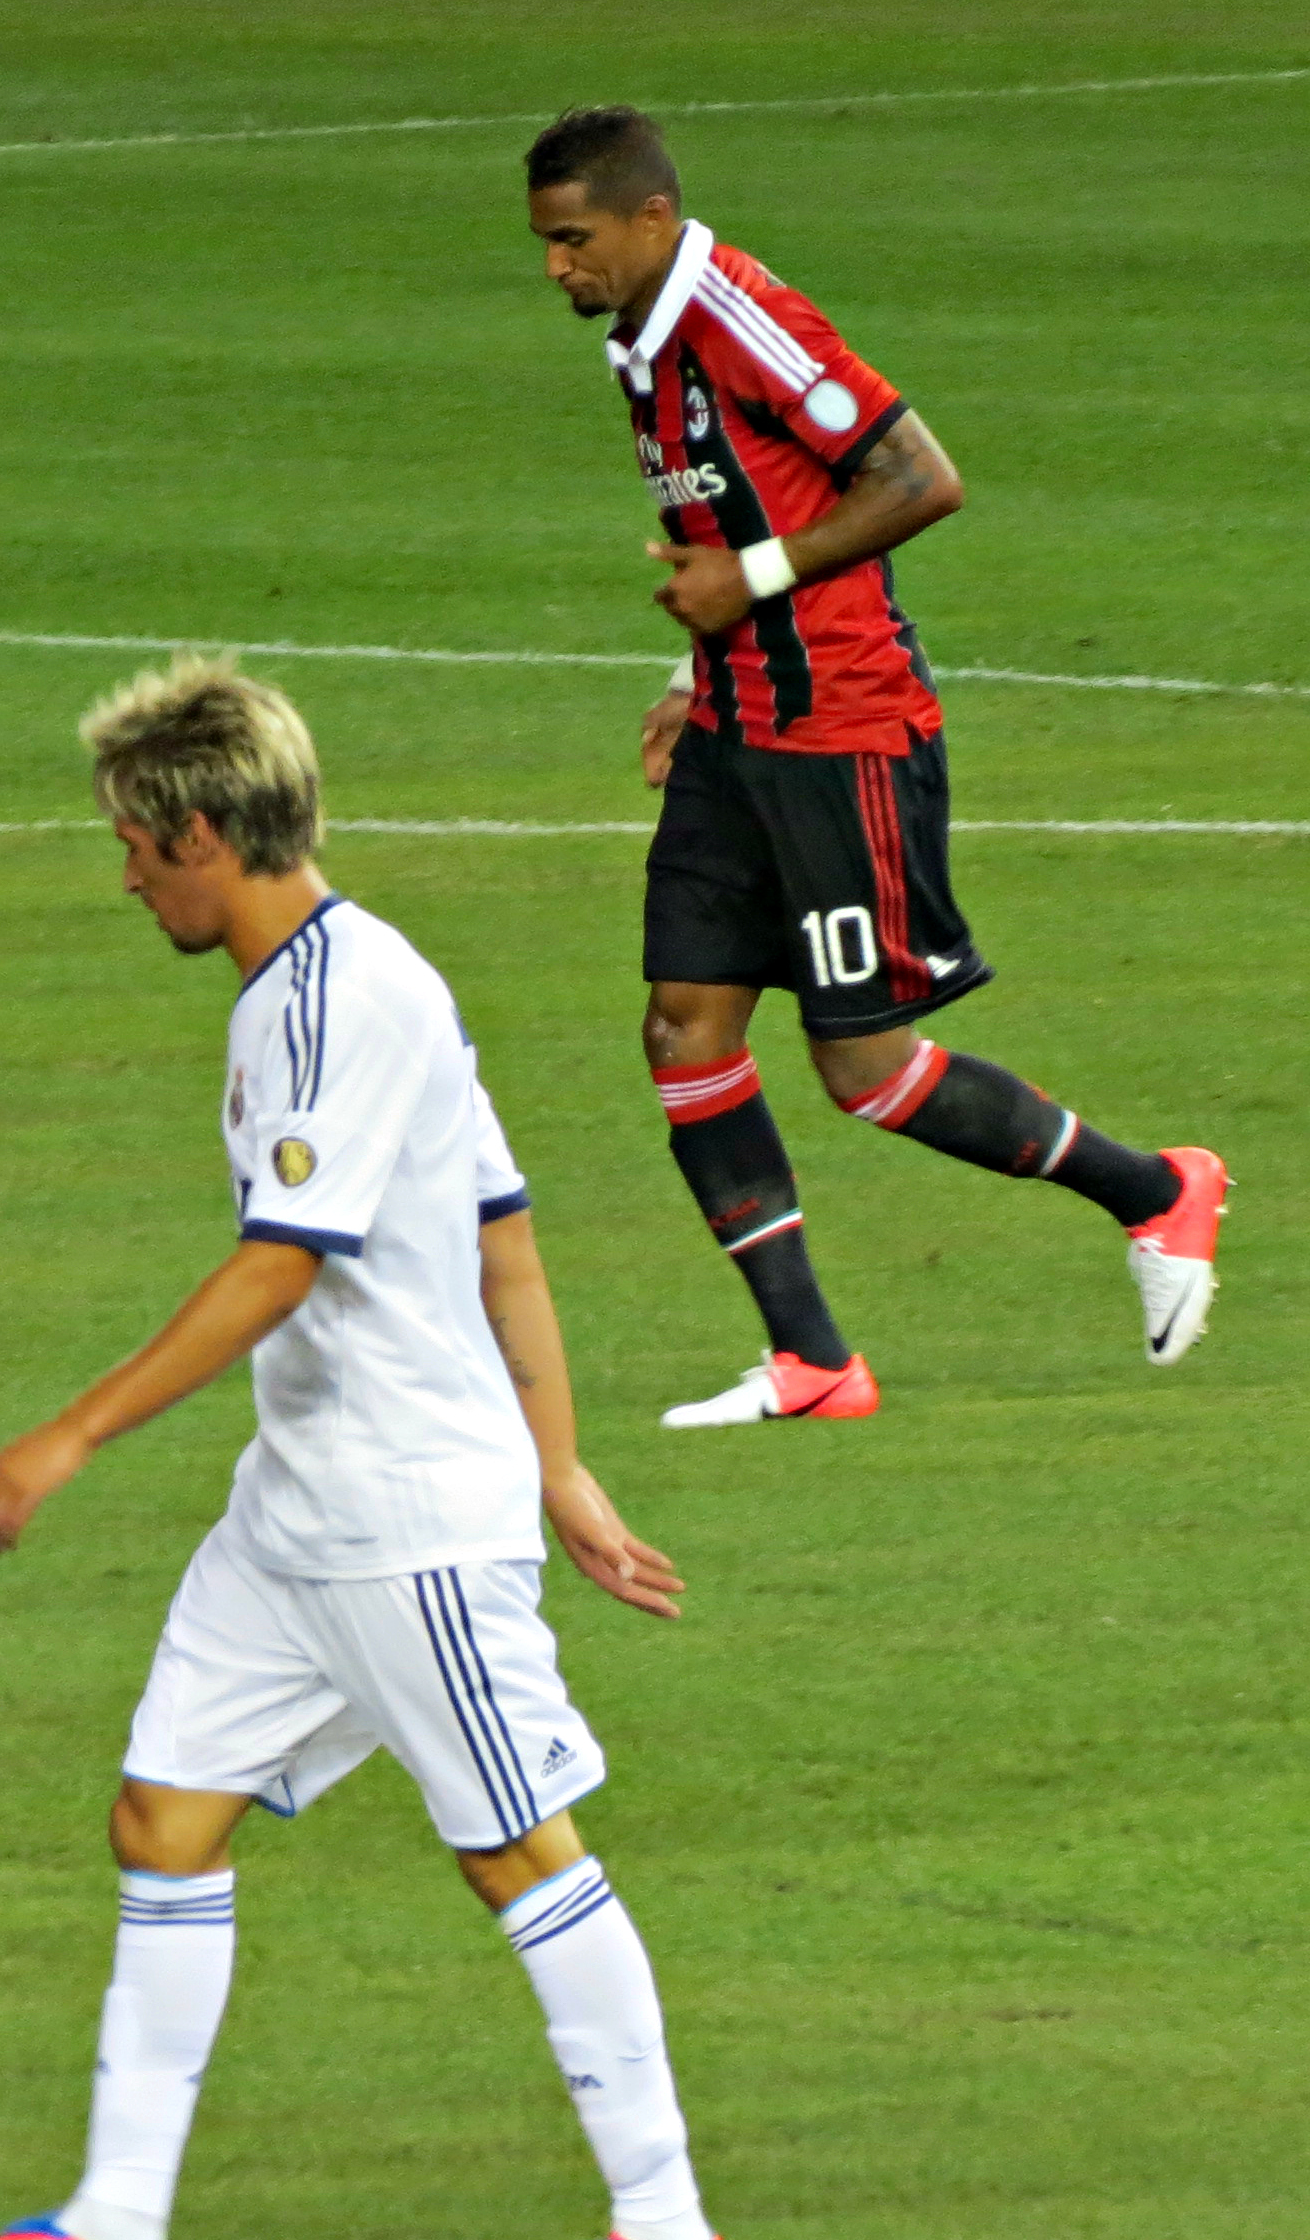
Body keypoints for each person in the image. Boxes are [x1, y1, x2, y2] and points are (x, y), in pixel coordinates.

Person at [0, 657, 728, 2240]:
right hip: (301, 1507)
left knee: (518, 1850)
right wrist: (557, 1460)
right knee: (164, 1816)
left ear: (202, 831)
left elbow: (284, 1266)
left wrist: (61, 1441)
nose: (125, 874)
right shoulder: (355, 980)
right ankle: (114, 2236)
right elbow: (500, 1232)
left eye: (136, 844)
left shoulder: (340, 1003)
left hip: (402, 1513)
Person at [523, 106, 1228, 1426]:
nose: (557, 269)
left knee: (868, 1068)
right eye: (547, 247)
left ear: (651, 220)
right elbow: (726, 513)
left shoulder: (745, 319)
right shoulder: (644, 339)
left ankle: (1156, 1189)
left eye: (574, 242)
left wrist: (755, 581)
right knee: (684, 1022)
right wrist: (696, 667)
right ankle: (816, 1361)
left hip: (841, 731)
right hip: (738, 728)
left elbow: (921, 475)